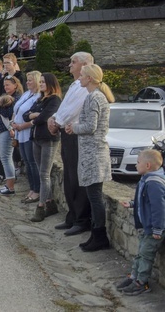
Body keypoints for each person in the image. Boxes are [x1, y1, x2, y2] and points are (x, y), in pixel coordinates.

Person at [65, 63, 115, 252]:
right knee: (92, 195)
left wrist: (73, 128)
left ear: (90, 79)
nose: (80, 78)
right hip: (91, 152)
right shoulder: (94, 96)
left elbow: (91, 127)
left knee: (94, 197)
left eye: (83, 75)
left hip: (93, 153)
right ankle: (95, 234)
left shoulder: (94, 97)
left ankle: (99, 235)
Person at [49, 52, 94, 236]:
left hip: (76, 134)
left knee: (77, 177)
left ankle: (81, 219)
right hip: (67, 132)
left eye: (73, 62)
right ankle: (72, 215)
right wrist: (55, 118)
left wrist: (56, 121)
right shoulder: (76, 84)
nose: (69, 65)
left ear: (84, 65)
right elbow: (64, 107)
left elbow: (73, 110)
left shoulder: (85, 88)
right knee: (68, 176)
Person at [117, 149, 165, 295]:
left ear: (148, 165)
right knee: (140, 253)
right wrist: (132, 204)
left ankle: (141, 283)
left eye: (138, 163)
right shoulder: (146, 178)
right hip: (146, 227)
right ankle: (134, 277)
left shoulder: (154, 183)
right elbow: (143, 200)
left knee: (145, 255)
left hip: (153, 229)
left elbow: (159, 208)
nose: (136, 165)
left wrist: (157, 229)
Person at [27, 73, 63, 223]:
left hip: (48, 139)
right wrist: (35, 115)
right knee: (40, 170)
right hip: (36, 138)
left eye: (43, 82)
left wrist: (35, 116)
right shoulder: (40, 99)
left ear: (50, 83)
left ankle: (41, 207)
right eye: (40, 81)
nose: (41, 84)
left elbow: (44, 117)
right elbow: (25, 115)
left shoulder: (54, 99)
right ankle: (50, 202)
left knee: (44, 174)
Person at [0, 76, 23, 195]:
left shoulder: (16, 98)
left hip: (6, 131)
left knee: (6, 158)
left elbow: (8, 114)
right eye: (4, 85)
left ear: (15, 85)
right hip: (1, 129)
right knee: (5, 158)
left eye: (8, 85)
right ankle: (8, 184)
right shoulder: (7, 97)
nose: (5, 87)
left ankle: (10, 187)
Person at [11, 71, 42, 204]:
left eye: (30, 80)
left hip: (27, 131)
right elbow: (17, 110)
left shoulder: (39, 96)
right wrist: (13, 123)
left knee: (32, 162)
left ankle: (37, 190)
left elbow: (35, 115)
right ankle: (32, 188)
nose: (28, 82)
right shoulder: (27, 94)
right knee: (26, 161)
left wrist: (22, 125)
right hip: (19, 131)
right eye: (27, 80)